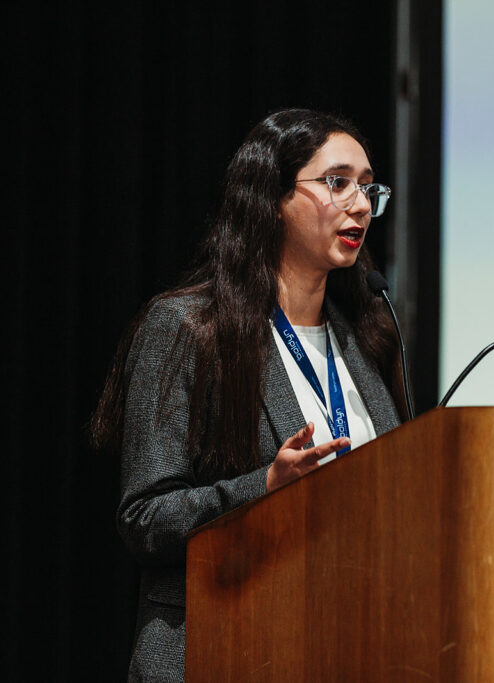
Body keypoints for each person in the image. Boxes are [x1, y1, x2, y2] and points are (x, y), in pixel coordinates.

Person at [90, 108, 408, 681]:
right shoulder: (187, 329)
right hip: (225, 649)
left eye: (367, 186)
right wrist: (265, 489)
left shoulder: (367, 340)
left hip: (345, 648)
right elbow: (145, 518)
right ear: (271, 197)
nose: (361, 204)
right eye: (338, 182)